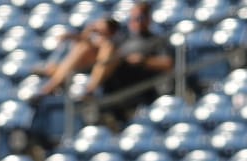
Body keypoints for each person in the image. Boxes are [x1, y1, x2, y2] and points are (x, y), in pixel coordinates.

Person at [34, 1, 172, 115]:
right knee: (84, 47)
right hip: (109, 71)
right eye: (134, 18)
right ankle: (52, 84)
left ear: (148, 19)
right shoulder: (125, 37)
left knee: (108, 48)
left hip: (131, 75)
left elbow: (168, 63)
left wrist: (143, 60)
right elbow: (95, 43)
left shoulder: (156, 40)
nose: (136, 22)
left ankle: (88, 89)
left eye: (140, 18)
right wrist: (84, 33)